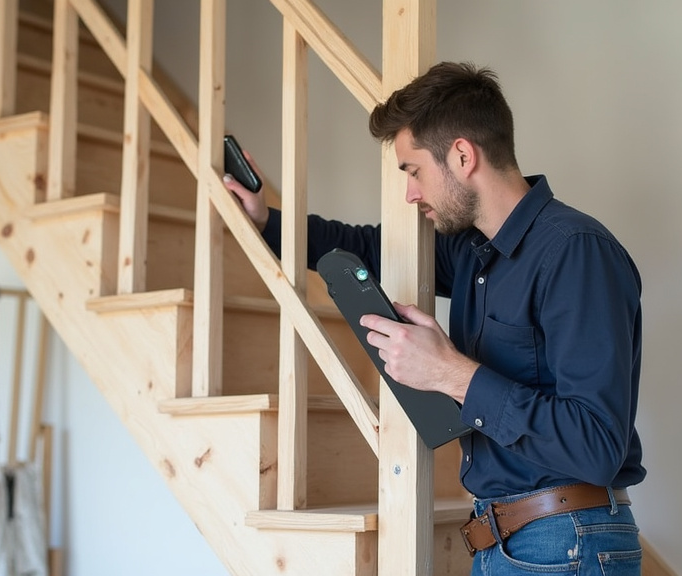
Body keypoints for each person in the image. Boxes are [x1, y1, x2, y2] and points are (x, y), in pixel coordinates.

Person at [224, 61, 646, 576]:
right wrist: (269, 221)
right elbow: (369, 248)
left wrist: (451, 372)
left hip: (566, 542)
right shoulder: (474, 253)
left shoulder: (575, 252)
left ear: (463, 155)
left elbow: (597, 444)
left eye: (413, 170)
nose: (410, 193)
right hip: (508, 542)